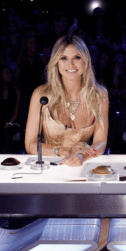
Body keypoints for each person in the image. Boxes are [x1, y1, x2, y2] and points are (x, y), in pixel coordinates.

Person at [24, 35, 109, 167]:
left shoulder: (99, 95)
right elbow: (30, 145)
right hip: (46, 167)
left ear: (85, 60)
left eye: (77, 57)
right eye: (64, 58)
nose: (70, 64)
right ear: (56, 62)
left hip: (79, 165)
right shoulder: (41, 95)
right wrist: (64, 151)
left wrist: (82, 156)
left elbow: (101, 143)